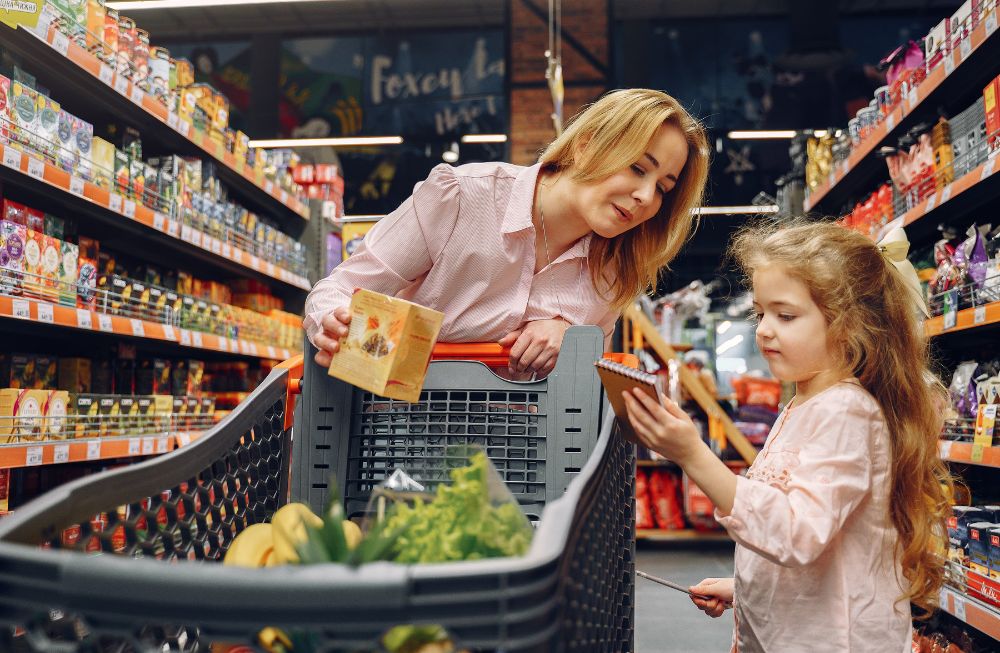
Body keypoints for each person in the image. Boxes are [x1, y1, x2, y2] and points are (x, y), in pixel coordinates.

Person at [622, 221, 951, 652]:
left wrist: (692, 455)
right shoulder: (804, 403)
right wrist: (745, 586)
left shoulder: (847, 412)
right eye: (760, 313)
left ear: (849, 326)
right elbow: (815, 540)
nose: (763, 329)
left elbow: (798, 532)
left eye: (786, 315)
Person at [304, 89, 710, 377]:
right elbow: (338, 290)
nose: (645, 196)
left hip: (522, 462)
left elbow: (583, 394)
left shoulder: (614, 270)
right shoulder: (463, 197)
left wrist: (570, 339)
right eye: (638, 168)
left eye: (663, 188)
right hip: (394, 439)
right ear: (586, 146)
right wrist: (337, 326)